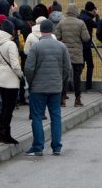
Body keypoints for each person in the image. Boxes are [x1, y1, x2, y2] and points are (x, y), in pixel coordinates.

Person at [24, 19, 72, 157]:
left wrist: (31, 82)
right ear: (52, 31)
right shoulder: (61, 46)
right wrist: (60, 79)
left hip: (38, 88)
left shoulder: (36, 47)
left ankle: (38, 147)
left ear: (40, 31)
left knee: (37, 117)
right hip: (55, 87)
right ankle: (56, 147)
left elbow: (29, 68)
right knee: (56, 116)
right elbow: (67, 67)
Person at [0, 19, 23, 144]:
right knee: (9, 109)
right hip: (11, 79)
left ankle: (3, 133)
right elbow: (15, 65)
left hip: (1, 78)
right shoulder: (11, 44)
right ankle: (6, 134)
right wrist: (21, 75)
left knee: (4, 106)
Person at [55, 4, 90, 107]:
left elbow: (56, 37)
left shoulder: (62, 22)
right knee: (77, 78)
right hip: (77, 54)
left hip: (64, 54)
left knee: (64, 78)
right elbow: (86, 38)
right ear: (76, 12)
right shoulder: (81, 23)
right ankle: (77, 100)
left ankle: (62, 100)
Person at [78, 1, 99, 91]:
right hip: (86, 46)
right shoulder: (88, 20)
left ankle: (76, 84)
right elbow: (98, 25)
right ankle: (88, 86)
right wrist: (97, 15)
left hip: (78, 45)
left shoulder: (79, 16)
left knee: (80, 65)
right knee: (90, 65)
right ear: (92, 10)